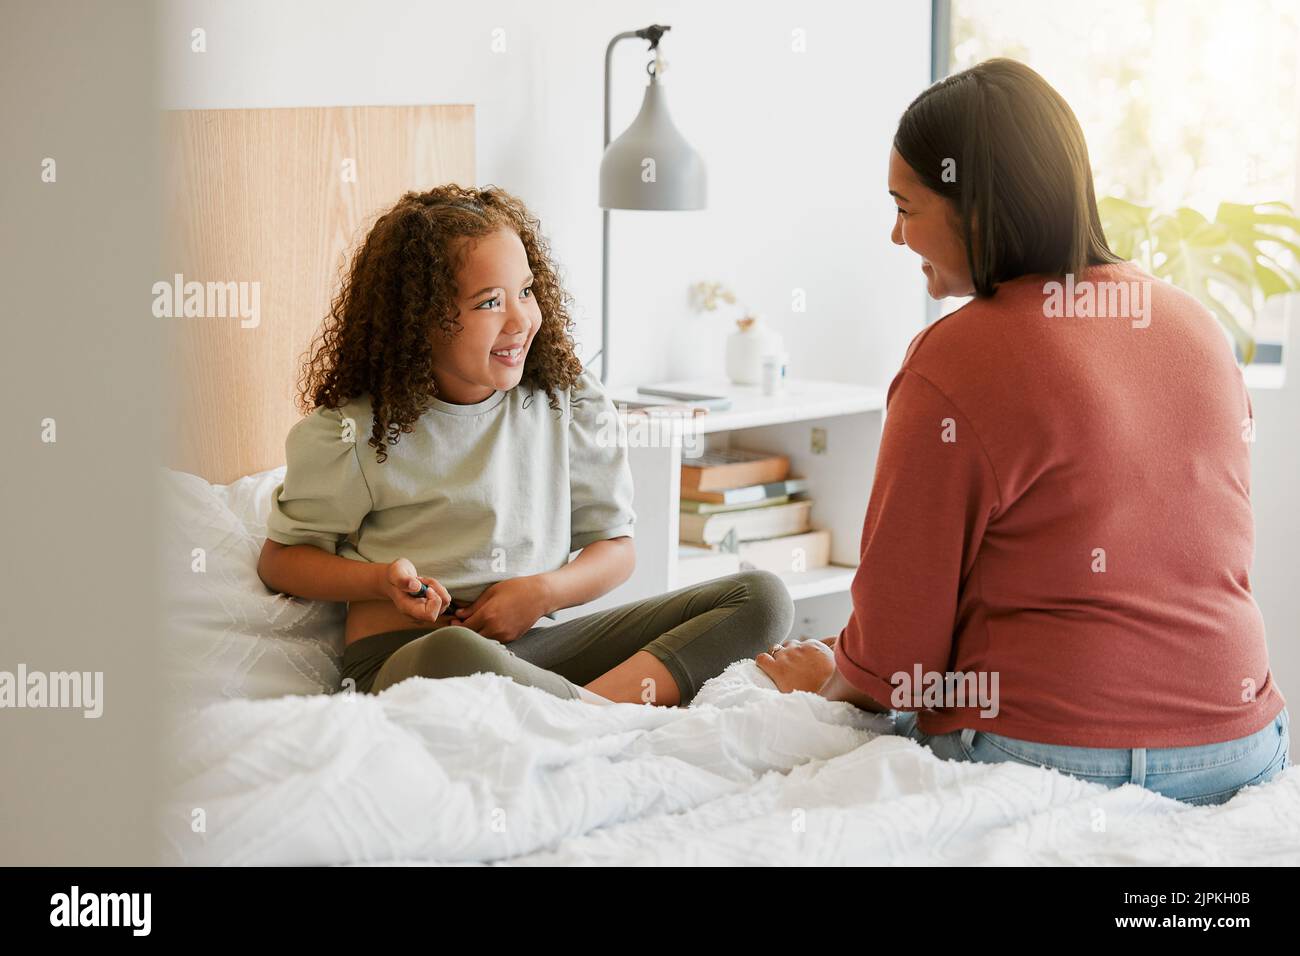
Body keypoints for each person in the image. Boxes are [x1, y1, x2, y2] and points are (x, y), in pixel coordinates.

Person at [756, 58, 1289, 806]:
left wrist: (831, 679)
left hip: (1048, 749)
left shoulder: (955, 358)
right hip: (1240, 744)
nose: (895, 234)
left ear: (976, 209)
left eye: (906, 207)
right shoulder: (1198, 328)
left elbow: (894, 650)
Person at [256, 184, 793, 707]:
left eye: (527, 291)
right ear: (417, 320)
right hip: (414, 659)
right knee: (451, 649)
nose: (521, 320)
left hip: (534, 651)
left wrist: (543, 593)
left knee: (762, 599)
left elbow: (616, 549)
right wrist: (380, 581)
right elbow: (282, 560)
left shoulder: (569, 402)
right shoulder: (354, 432)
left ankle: (578, 713)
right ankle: (599, 715)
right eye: (489, 302)